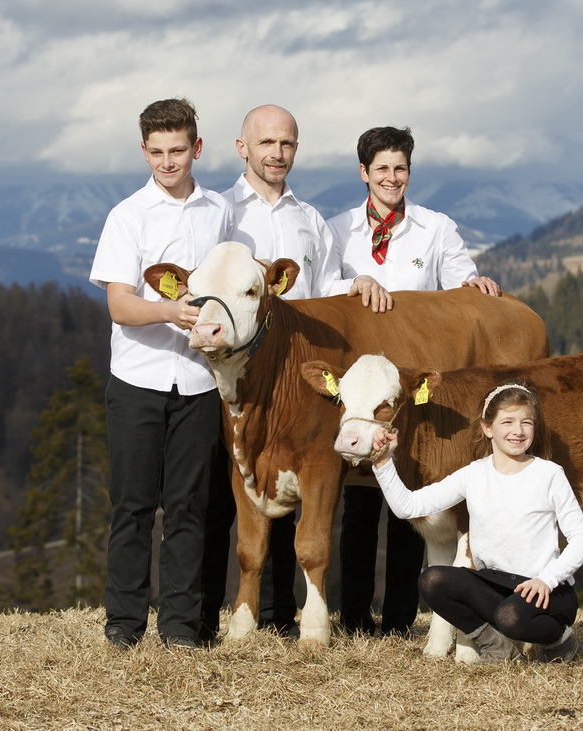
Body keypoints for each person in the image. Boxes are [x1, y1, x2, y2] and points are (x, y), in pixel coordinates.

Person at [200, 104, 392, 642]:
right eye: (265, 143)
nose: (276, 154)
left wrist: (359, 284)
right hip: (239, 371)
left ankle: (281, 613)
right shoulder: (221, 214)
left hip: (297, 374)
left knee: (295, 483)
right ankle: (210, 611)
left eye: (285, 144)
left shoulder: (310, 222)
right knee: (235, 490)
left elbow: (329, 292)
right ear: (243, 148)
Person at [326, 126, 500, 637]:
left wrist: (475, 285)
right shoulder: (337, 230)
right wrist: (350, 283)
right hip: (362, 392)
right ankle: (355, 616)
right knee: (358, 506)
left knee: (413, 506)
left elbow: (458, 284)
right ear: (363, 173)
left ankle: (402, 617)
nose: (391, 178)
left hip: (414, 394)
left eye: (400, 168)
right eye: (381, 168)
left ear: (409, 172)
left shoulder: (435, 227)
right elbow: (318, 292)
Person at [89, 98, 233, 650]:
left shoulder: (219, 212)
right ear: (143, 150)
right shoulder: (127, 215)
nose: (168, 163)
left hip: (200, 382)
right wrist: (172, 311)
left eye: (178, 151)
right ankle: (123, 625)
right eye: (157, 153)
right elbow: (120, 306)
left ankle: (180, 629)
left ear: (197, 148)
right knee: (131, 507)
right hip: (137, 381)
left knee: (190, 510)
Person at [369, 382, 583, 664]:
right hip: (493, 583)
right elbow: (409, 507)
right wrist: (383, 464)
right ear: (487, 428)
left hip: (547, 591)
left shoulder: (549, 474)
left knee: (511, 617)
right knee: (432, 580)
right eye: (508, 422)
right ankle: (496, 647)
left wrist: (547, 579)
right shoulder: (473, 475)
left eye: (527, 422)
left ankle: (560, 640)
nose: (518, 431)